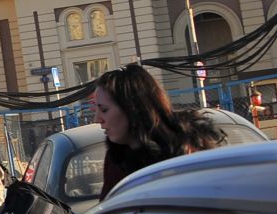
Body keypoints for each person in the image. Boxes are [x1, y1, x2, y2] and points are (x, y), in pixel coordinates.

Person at [91, 64, 220, 197]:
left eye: (104, 110)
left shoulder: (186, 152)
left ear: (131, 108)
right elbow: (111, 211)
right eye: (96, 110)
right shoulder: (116, 159)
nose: (97, 119)